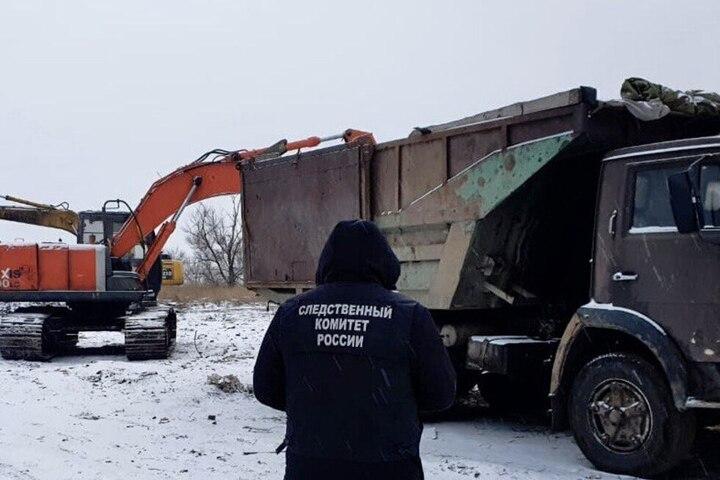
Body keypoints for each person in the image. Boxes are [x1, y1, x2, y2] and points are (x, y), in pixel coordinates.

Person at [253, 219, 456, 480]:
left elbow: (266, 388)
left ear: (327, 260)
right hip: (389, 466)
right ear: (385, 260)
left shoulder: (291, 313)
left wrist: (316, 408)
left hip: (310, 465)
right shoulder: (409, 316)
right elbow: (441, 394)